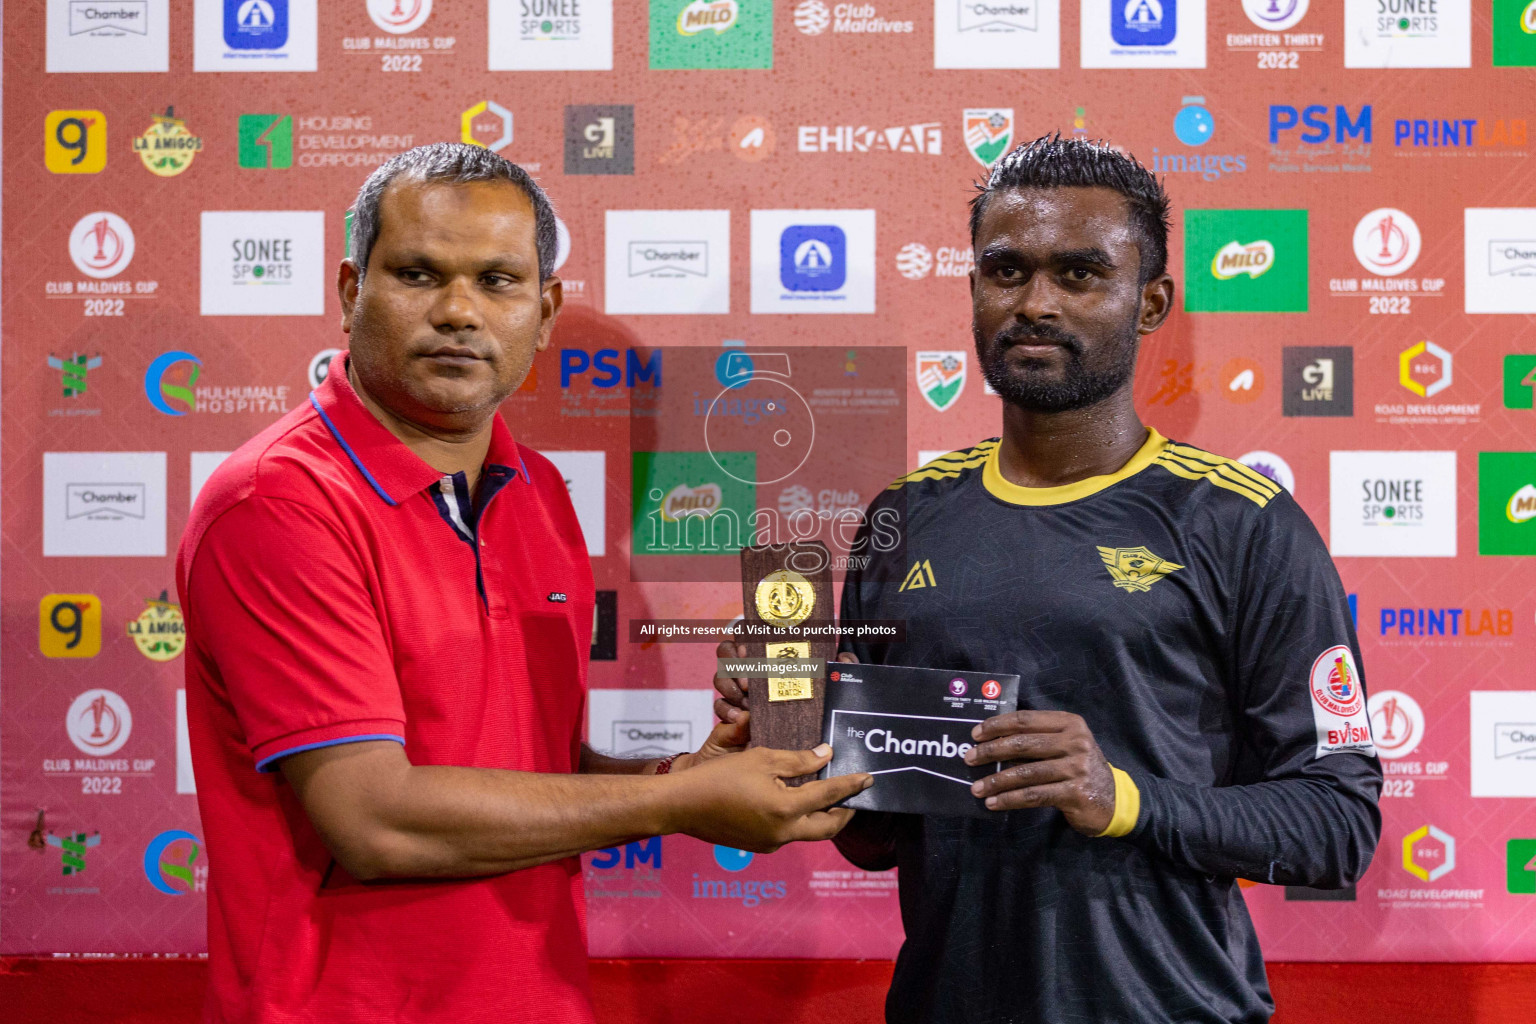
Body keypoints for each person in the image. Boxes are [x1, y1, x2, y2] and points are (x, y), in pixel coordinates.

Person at [177, 142, 871, 1024]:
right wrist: (677, 801)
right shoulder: (277, 502)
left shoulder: (537, 491)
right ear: (353, 293)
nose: (459, 311)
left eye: (497, 281)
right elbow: (375, 819)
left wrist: (685, 770)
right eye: (420, 273)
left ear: (543, 313)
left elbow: (526, 766)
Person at [715, 135, 1382, 1024]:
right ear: (974, 290)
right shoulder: (902, 517)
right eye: (1006, 271)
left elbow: (1336, 823)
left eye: (1078, 275)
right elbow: (879, 838)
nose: (1034, 303)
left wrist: (1123, 799)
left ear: (1150, 304)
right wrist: (794, 737)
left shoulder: (1243, 523)